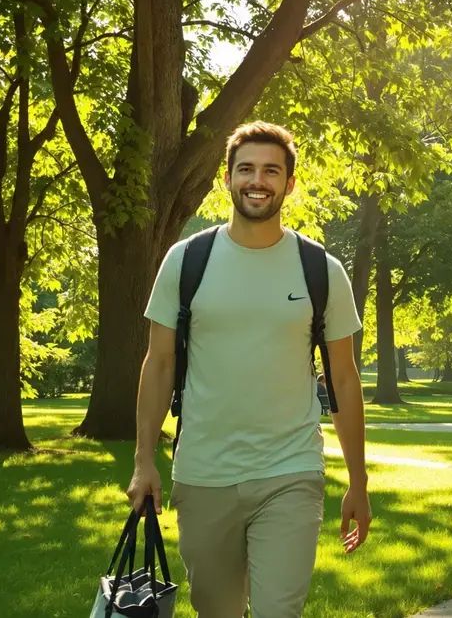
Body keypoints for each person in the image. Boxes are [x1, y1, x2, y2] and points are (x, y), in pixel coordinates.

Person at [127, 121, 371, 618]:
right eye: (246, 169)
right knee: (217, 612)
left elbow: (343, 378)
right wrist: (143, 460)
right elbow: (159, 363)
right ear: (228, 179)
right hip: (202, 472)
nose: (257, 180)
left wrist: (358, 481)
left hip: (290, 471)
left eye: (270, 171)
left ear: (289, 183)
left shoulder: (321, 270)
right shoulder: (186, 260)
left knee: (279, 612)